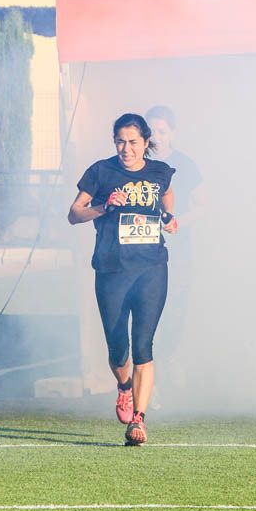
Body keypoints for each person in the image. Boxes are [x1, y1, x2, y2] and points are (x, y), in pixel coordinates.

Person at [68, 113, 178, 445]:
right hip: (112, 270)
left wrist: (170, 219)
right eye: (120, 141)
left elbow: (167, 202)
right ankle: (124, 386)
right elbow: (74, 214)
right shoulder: (101, 172)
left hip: (151, 269)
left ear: (146, 142)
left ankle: (139, 421)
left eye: (132, 142)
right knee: (118, 349)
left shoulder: (160, 173)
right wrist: (102, 206)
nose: (126, 149)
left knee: (144, 345)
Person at [144, 106, 203, 371]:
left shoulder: (186, 165)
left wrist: (177, 223)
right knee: (145, 312)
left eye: (162, 131)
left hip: (176, 254)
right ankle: (144, 374)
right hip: (140, 253)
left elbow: (204, 205)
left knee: (174, 313)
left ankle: (162, 366)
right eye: (151, 130)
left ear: (172, 134)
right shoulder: (134, 162)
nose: (156, 136)